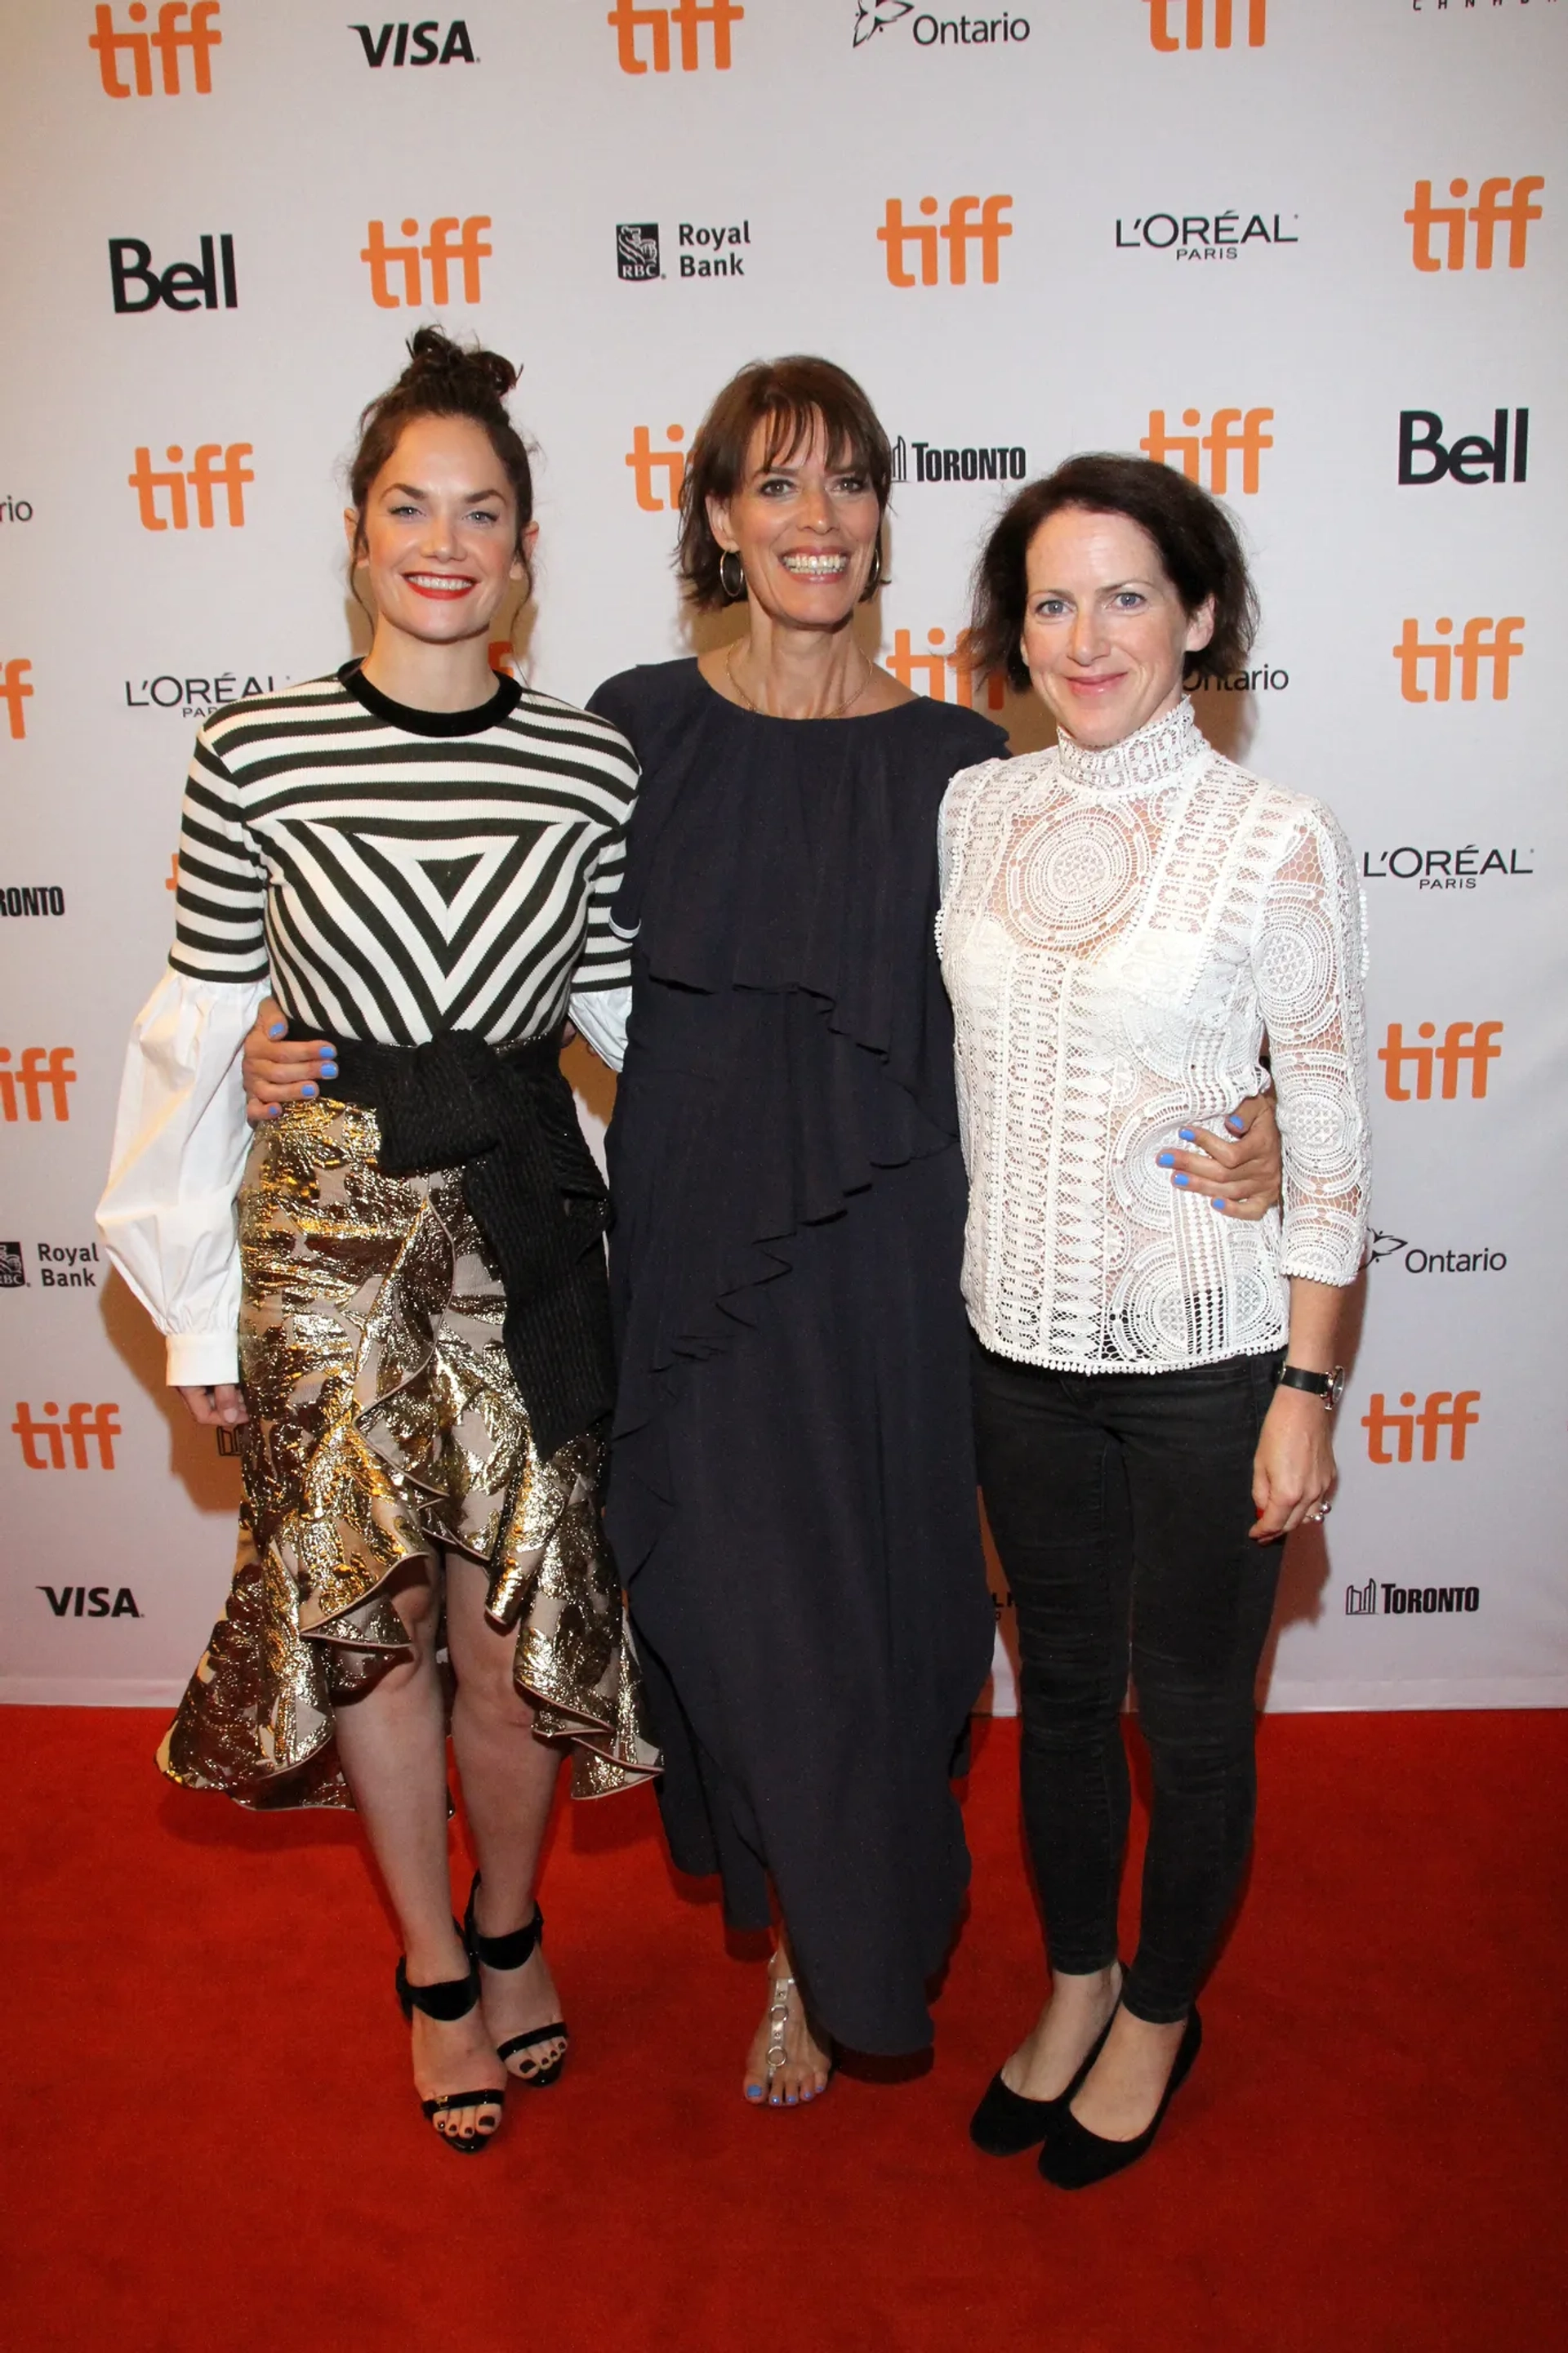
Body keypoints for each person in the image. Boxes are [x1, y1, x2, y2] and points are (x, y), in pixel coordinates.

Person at [238, 359, 1284, 2109]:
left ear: (886, 515)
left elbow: (1092, 998)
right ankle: (779, 1899)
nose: (820, 519)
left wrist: (1239, 1135)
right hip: (696, 1257)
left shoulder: (973, 766)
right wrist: (309, 1047)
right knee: (719, 1614)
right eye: (777, 486)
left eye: (852, 482)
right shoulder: (627, 732)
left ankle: (820, 1949)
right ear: (716, 519)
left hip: (896, 1270)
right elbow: (488, 951)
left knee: (884, 1626)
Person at [96, 329, 658, 2155]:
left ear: (524, 549)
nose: (444, 541)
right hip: (325, 1247)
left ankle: (511, 1921)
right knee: (375, 1629)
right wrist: (192, 1324)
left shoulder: (592, 765)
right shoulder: (248, 747)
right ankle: (430, 1966)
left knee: (510, 1642)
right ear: (355, 531)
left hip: (523, 1236)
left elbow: (632, 1019)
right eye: (409, 504)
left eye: (480, 512)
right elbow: (196, 1033)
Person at [944, 455, 1370, 2187]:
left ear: (1199, 618)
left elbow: (1327, 1126)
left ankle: (1162, 2007)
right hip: (1012, 1350)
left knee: (1189, 1719)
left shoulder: (1275, 834)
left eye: (1128, 595)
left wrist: (1308, 1382)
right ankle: (1074, 1977)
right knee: (1052, 1707)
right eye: (1052, 599)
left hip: (1205, 1360)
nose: (1087, 633)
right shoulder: (977, 810)